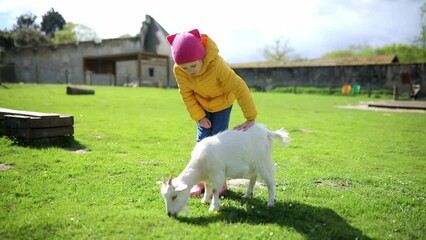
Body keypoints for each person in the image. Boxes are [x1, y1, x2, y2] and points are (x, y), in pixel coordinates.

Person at [166, 29, 257, 197]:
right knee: (201, 142)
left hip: (222, 103)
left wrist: (250, 117)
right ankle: (201, 182)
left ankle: (220, 182)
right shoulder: (179, 70)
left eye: (193, 65)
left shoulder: (216, 65)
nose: (190, 70)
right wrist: (199, 117)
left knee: (216, 142)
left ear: (201, 57)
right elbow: (186, 94)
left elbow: (239, 87)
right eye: (185, 67)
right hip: (201, 106)